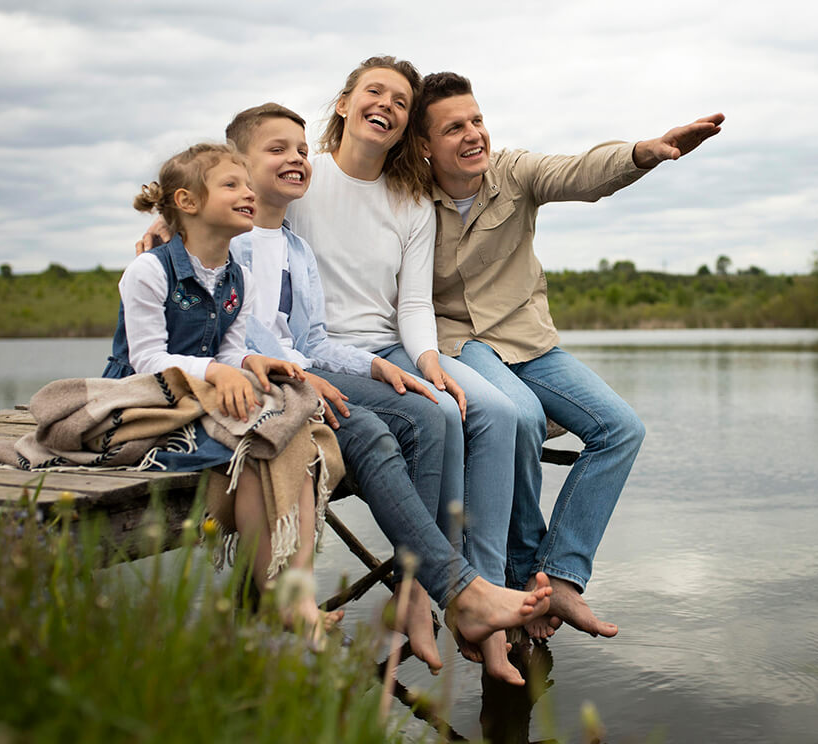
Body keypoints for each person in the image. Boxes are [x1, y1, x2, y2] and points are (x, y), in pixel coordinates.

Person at [220, 101, 551, 673]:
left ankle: (431, 592)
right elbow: (222, 334)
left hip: (313, 370)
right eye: (279, 151)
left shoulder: (297, 249)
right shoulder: (228, 236)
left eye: (299, 151)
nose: (295, 160)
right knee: (392, 428)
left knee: (435, 410)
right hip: (252, 384)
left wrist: (380, 367)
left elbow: (312, 337)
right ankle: (442, 591)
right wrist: (169, 218)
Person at [415, 71, 724, 640]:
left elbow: (581, 172)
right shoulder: (409, 199)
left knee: (621, 428)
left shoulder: (513, 172)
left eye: (477, 120)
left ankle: (559, 574)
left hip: (528, 341)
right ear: (425, 145)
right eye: (454, 127)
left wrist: (643, 153)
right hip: (460, 343)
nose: (473, 134)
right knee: (522, 418)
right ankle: (519, 576)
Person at [105, 142, 341, 646]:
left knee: (286, 434)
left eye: (247, 186)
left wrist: (250, 362)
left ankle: (294, 593)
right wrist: (219, 370)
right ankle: (276, 590)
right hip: (146, 395)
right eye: (232, 185)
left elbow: (232, 349)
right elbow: (146, 357)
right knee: (258, 440)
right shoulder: (150, 271)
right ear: (188, 203)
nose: (247, 193)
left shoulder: (241, 278)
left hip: (207, 395)